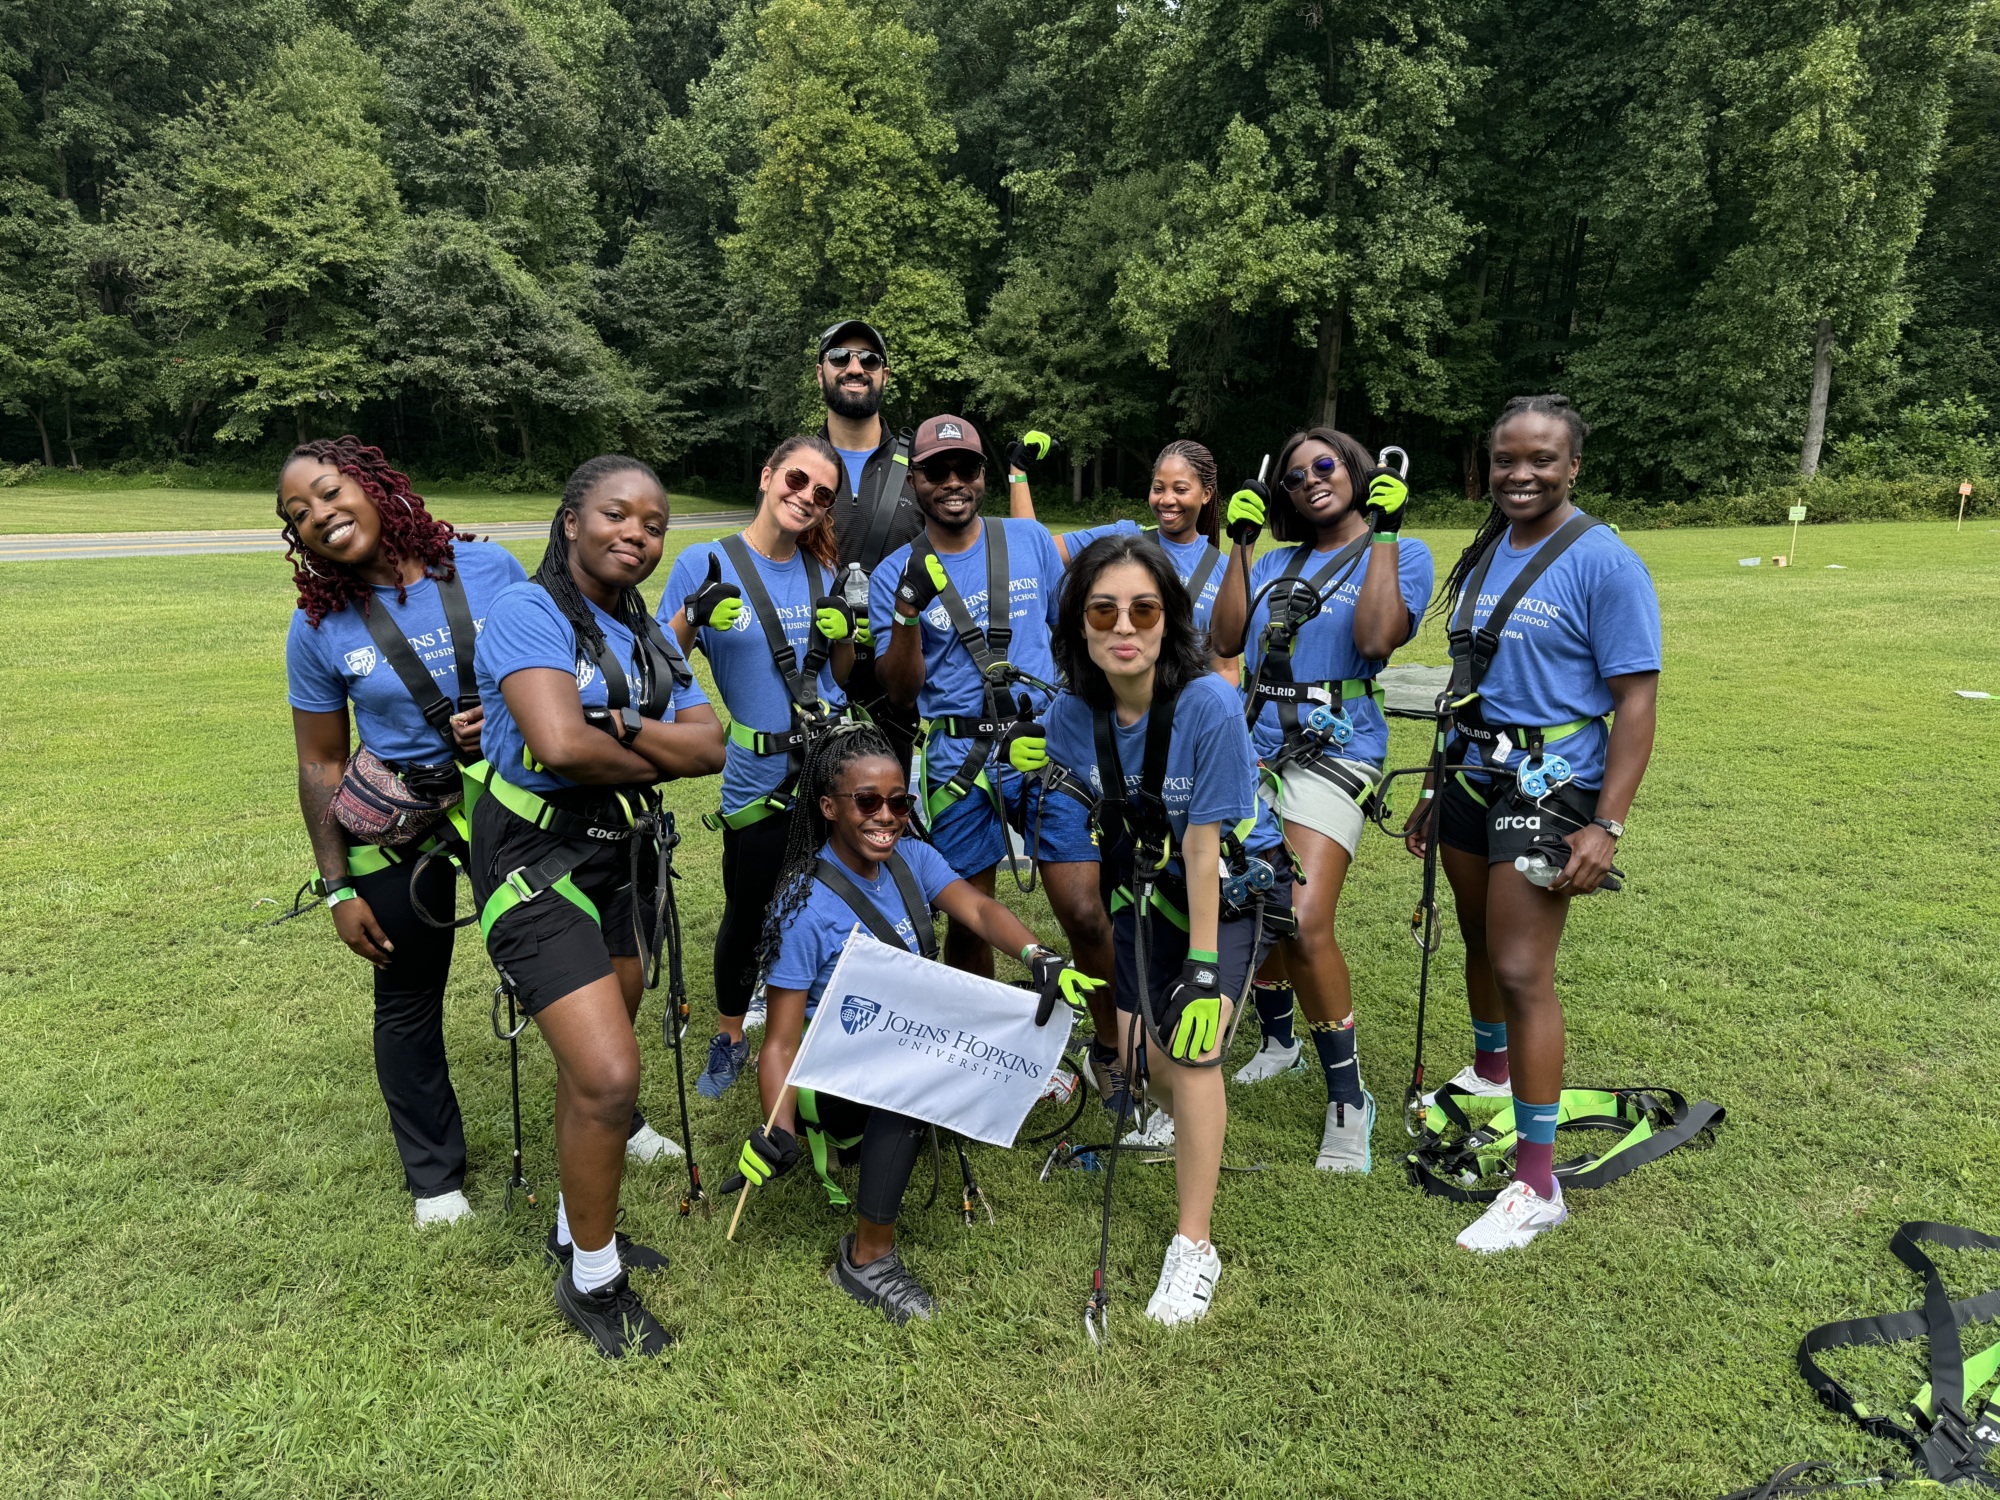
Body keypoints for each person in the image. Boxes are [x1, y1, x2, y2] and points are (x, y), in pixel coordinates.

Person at [469, 456, 727, 1357]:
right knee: (614, 1075)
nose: (637, 535)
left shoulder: (645, 630)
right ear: (571, 519)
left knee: (596, 1065)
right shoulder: (527, 613)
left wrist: (611, 729)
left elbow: (714, 747)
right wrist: (637, 746)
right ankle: (593, 1278)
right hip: (534, 856)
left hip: (623, 856)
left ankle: (576, 1229)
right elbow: (554, 743)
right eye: (617, 515)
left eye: (654, 525)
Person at [727, 721, 1101, 1324]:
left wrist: (1039, 957)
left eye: (898, 802)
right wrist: (782, 1129)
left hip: (897, 1034)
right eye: (866, 802)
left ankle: (1000, 1092)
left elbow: (978, 906)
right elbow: (781, 1041)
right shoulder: (805, 908)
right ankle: (865, 1257)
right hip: (836, 1073)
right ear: (828, 807)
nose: (886, 816)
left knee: (984, 1016)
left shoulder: (912, 858)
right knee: (908, 1082)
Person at [1403, 394, 1659, 1253]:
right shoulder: (1486, 550)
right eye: (1507, 459)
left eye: (1542, 460)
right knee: (1478, 939)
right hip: (1471, 776)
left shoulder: (1604, 561)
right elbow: (1468, 682)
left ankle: (1537, 1184)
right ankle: (1489, 1073)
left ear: (1574, 465)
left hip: (1550, 789)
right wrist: (1438, 782)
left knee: (1521, 968)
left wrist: (1607, 826)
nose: (1522, 474)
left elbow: (1635, 699)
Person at [1044, 533, 1293, 1324]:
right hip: (1144, 888)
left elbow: (1202, 842)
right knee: (1136, 1047)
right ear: (1079, 623)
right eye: (1104, 610)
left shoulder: (1209, 704)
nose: (1125, 626)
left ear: (1169, 618)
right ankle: (1174, 1112)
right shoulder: (1069, 717)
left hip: (1222, 888)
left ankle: (1194, 1245)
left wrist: (1207, 969)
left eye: (1144, 609)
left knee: (1193, 1046)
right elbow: (1106, 830)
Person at [280, 437, 527, 1229]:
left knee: (562, 967)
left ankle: (616, 1121)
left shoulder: (488, 569)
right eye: (299, 514)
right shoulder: (318, 626)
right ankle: (436, 1180)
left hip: (507, 804)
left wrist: (513, 709)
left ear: (373, 484)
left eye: (326, 492)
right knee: (407, 995)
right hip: (399, 825)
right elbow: (320, 764)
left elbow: (557, 674)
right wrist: (336, 887)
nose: (319, 515)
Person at [866, 414, 1128, 1113]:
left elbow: (1075, 630)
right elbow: (899, 689)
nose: (953, 483)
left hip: (1044, 749)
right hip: (959, 758)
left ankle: (1111, 1049)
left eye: (966, 469)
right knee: (970, 917)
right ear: (915, 482)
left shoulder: (1030, 541)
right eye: (936, 471)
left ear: (983, 475)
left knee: (1083, 908)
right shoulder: (898, 570)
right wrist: (903, 614)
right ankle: (989, 1055)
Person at [1210, 427, 1433, 1165]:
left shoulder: (1403, 552)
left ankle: (1349, 1096)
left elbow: (1375, 640)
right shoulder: (1273, 560)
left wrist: (1385, 534)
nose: (1311, 481)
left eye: (1326, 466)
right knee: (1251, 892)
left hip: (1336, 749)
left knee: (1301, 917)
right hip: (1253, 748)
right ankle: (1279, 1042)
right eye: (1297, 475)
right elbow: (1227, 638)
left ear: (1359, 470)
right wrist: (1238, 547)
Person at [660, 436, 855, 1100]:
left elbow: (841, 676)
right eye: (796, 480)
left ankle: (814, 1019)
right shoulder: (705, 561)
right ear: (768, 476)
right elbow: (655, 669)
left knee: (828, 901)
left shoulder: (821, 572)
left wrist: (844, 633)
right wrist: (692, 616)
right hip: (759, 773)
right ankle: (730, 1035)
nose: (805, 497)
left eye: (822, 494)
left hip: (830, 763)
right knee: (750, 909)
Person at [817, 319, 922, 769]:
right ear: (819, 371)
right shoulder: (796, 467)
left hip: (910, 687)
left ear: (885, 375)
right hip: (816, 679)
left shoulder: (924, 461)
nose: (855, 367)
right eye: (840, 357)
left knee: (901, 824)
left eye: (869, 359)